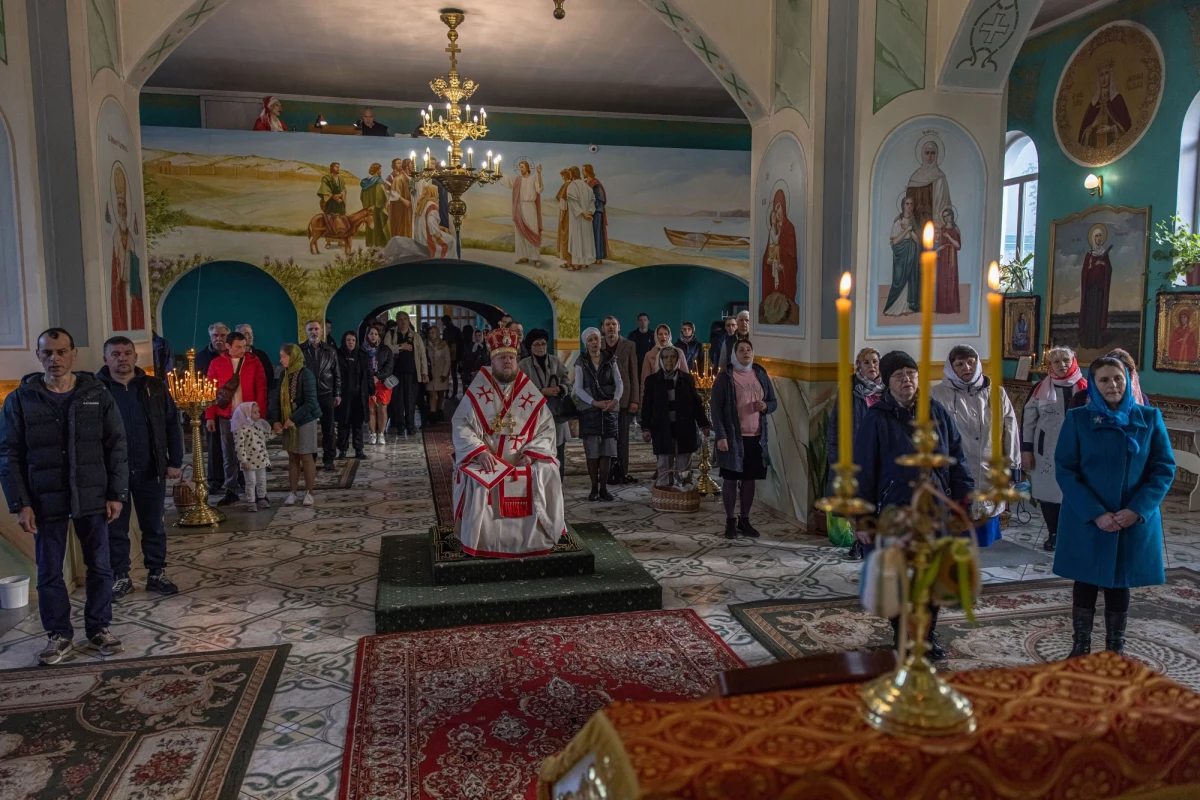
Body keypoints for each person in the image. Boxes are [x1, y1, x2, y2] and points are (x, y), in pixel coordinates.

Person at [0, 328, 126, 664]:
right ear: (39, 356)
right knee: (49, 571)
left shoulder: (96, 393)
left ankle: (99, 628)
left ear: (73, 354)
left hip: (93, 496)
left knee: (100, 566)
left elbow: (116, 444)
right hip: (45, 499)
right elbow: (9, 454)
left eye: (60, 352)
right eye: (47, 353)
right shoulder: (21, 399)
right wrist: (20, 503)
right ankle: (58, 634)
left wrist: (116, 492)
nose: (54, 359)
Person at [853, 350, 974, 659]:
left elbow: (957, 459)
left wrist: (965, 502)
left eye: (911, 373)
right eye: (898, 375)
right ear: (887, 381)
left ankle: (927, 635)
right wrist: (863, 517)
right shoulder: (877, 418)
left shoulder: (937, 412)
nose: (906, 379)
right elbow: (863, 470)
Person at [1055, 357, 1175, 657]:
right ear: (1093, 384)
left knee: (1119, 581)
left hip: (1130, 518)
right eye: (1104, 380)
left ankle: (1114, 648)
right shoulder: (1079, 419)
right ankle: (1080, 645)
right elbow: (1066, 470)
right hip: (1088, 517)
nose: (1113, 386)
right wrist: (1096, 513)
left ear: (1128, 379)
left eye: (1118, 378)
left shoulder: (1149, 417)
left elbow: (1163, 468)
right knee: (1085, 578)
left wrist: (1137, 509)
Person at [451, 327, 568, 556]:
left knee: (548, 471)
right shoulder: (478, 390)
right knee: (476, 481)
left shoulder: (528, 390)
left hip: (523, 456)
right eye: (502, 357)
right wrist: (480, 452)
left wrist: (533, 453)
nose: (508, 362)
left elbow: (546, 428)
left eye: (512, 358)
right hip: (487, 458)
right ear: (492, 360)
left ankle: (539, 537)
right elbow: (461, 425)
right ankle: (481, 541)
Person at [98, 336, 184, 600]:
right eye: (115, 354)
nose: (122, 358)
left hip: (150, 467)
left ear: (136, 357)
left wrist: (175, 461)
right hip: (112, 473)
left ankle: (156, 573)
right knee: (115, 527)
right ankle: (120, 577)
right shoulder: (95, 389)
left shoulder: (154, 386)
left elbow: (171, 424)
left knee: (154, 524)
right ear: (106, 359)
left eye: (127, 353)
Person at [930, 345, 1019, 547]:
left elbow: (1010, 430)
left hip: (989, 468)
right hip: (954, 470)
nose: (966, 367)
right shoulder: (937, 394)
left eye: (971, 362)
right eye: (959, 364)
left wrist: (1013, 465)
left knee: (982, 533)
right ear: (951, 367)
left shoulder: (997, 393)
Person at [1022, 347, 1088, 552]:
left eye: (1066, 360)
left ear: (1074, 360)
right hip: (1046, 449)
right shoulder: (1040, 389)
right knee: (1049, 492)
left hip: (1080, 449)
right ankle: (1053, 533)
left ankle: (1074, 534)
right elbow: (1028, 421)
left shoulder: (1086, 387)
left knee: (1076, 491)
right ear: (1050, 365)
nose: (1062, 365)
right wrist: (1026, 450)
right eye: (1056, 362)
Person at [711, 339, 777, 539]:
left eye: (749, 349)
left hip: (756, 437)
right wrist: (721, 436)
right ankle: (730, 521)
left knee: (749, 480)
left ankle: (745, 520)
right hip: (733, 438)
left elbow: (773, 402)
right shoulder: (725, 377)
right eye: (741, 350)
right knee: (731, 480)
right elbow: (716, 410)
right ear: (734, 354)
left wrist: (765, 406)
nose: (746, 352)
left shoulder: (761, 374)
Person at [825, 347, 884, 560]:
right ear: (859, 366)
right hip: (855, 453)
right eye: (866, 362)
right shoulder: (850, 387)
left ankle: (876, 540)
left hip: (881, 453)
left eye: (875, 362)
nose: (872, 366)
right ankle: (859, 542)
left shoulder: (886, 389)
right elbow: (836, 424)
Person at [205, 330, 269, 505]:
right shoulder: (216, 364)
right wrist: (210, 416)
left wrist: (260, 415)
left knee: (253, 451)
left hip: (249, 416)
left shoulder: (254, 362)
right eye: (238, 347)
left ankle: (257, 490)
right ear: (228, 346)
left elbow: (261, 389)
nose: (243, 350)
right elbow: (210, 392)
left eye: (244, 346)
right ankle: (231, 489)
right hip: (226, 415)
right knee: (229, 454)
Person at [642, 346, 709, 488]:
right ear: (660, 360)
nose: (669, 360)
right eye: (665, 357)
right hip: (662, 428)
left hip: (684, 428)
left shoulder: (687, 379)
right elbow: (647, 407)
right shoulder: (652, 381)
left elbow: (696, 404)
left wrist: (704, 424)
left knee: (683, 466)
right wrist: (646, 428)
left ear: (678, 360)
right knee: (664, 464)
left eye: (672, 357)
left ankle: (683, 494)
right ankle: (667, 496)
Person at [575, 327, 622, 501]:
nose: (594, 343)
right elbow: (578, 388)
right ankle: (594, 487)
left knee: (607, 451)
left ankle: (604, 488)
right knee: (592, 451)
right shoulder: (581, 361)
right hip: (590, 411)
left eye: (596, 339)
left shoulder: (610, 359)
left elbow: (619, 382)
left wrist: (615, 400)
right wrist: (595, 402)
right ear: (586, 343)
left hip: (609, 409)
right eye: (591, 340)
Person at [271, 344, 321, 506]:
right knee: (292, 455)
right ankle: (292, 492)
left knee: (305, 455)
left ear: (293, 358)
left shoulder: (306, 374)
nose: (281, 360)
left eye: (284, 357)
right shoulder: (284, 375)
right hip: (288, 420)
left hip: (305, 419)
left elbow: (311, 402)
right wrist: (276, 420)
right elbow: (277, 399)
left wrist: (293, 418)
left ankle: (309, 492)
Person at [520, 329, 572, 479]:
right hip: (536, 416)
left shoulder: (555, 361)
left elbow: (568, 383)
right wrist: (542, 391)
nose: (541, 347)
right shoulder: (524, 365)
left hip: (557, 415)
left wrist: (560, 389)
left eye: (543, 343)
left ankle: (558, 484)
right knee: (539, 451)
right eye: (537, 344)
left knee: (559, 452)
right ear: (531, 347)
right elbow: (521, 391)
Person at [601, 316, 641, 484]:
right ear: (603, 328)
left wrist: (635, 400)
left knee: (622, 438)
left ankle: (622, 472)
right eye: (607, 324)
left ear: (619, 327)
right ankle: (606, 472)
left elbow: (633, 373)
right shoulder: (597, 344)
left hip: (624, 398)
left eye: (614, 324)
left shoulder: (629, 345)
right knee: (605, 438)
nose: (611, 327)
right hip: (603, 398)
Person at [301, 320, 341, 469]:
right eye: (310, 329)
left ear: (321, 331)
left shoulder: (330, 350)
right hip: (308, 395)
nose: (314, 332)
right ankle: (310, 458)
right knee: (308, 430)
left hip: (327, 393)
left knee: (329, 428)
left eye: (316, 329)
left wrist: (337, 393)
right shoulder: (300, 350)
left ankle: (329, 459)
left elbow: (336, 373)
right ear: (306, 332)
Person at [196, 322, 230, 493]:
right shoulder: (201, 357)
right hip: (209, 408)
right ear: (210, 337)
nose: (219, 339)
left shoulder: (234, 355)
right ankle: (215, 480)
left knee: (233, 445)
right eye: (215, 336)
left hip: (230, 409)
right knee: (213, 445)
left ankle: (235, 479)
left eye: (222, 335)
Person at [384, 311, 427, 435]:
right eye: (400, 319)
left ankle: (410, 426)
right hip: (395, 374)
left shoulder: (415, 336)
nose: (403, 322)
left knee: (411, 401)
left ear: (409, 321)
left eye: (405, 319)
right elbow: (386, 349)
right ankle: (400, 426)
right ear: (397, 321)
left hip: (412, 373)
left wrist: (424, 373)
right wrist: (401, 346)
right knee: (398, 401)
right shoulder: (391, 334)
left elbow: (422, 356)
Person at [761, 188, 798, 325]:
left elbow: (792, 256)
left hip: (784, 271)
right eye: (775, 208)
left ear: (784, 207)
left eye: (779, 207)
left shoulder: (789, 229)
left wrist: (784, 265)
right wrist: (768, 261)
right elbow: (768, 250)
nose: (777, 212)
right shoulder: (773, 229)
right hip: (774, 266)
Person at [231, 401, 274, 512]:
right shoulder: (240, 430)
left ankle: (261, 498)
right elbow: (239, 447)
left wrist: (276, 432)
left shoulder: (258, 426)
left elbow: (265, 438)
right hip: (249, 461)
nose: (258, 414)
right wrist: (243, 461)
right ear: (246, 414)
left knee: (262, 480)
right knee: (251, 482)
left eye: (258, 412)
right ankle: (251, 501)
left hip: (261, 458)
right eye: (254, 412)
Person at [1069, 348, 1147, 408]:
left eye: (1118, 378)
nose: (1112, 384)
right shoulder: (1081, 397)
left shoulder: (1142, 399)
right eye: (1104, 380)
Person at [1077, 63, 1131, 149]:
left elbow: (1127, 126)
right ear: (1098, 78)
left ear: (1111, 75)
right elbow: (1082, 136)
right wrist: (1092, 126)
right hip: (1094, 148)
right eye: (1101, 75)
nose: (1104, 78)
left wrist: (1111, 129)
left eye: (1107, 73)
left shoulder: (1117, 99)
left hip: (1114, 146)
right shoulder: (1094, 103)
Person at [336, 331, 371, 460]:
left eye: (353, 340)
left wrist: (371, 391)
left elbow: (368, 375)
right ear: (344, 342)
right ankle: (342, 450)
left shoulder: (362, 356)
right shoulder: (338, 355)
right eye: (348, 340)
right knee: (343, 424)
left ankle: (359, 450)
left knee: (358, 424)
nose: (351, 342)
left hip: (358, 396)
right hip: (343, 396)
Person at [502, 160, 544, 266]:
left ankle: (535, 258)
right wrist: (500, 173)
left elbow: (539, 189)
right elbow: (508, 180)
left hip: (530, 207)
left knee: (532, 230)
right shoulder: (518, 180)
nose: (521, 169)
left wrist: (539, 173)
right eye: (520, 167)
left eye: (522, 167)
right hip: (520, 208)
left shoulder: (533, 178)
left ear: (527, 167)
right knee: (520, 233)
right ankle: (523, 256)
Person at [885, 196, 921, 317]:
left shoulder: (914, 221)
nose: (909, 206)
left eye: (911, 204)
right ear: (902, 205)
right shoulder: (898, 222)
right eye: (907, 204)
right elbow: (894, 242)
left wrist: (911, 231)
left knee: (910, 279)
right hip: (901, 255)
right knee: (899, 279)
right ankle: (893, 308)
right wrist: (906, 231)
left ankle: (907, 307)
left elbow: (918, 240)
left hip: (911, 254)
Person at [362, 325, 394, 445]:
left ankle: (381, 434)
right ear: (367, 335)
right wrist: (370, 378)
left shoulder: (386, 349)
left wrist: (378, 376)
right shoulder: (362, 350)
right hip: (368, 383)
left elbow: (389, 366)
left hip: (383, 383)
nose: (373, 336)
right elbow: (361, 367)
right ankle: (373, 434)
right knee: (370, 409)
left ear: (379, 336)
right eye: (371, 334)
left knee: (382, 408)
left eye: (376, 334)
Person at [640, 324, 690, 392]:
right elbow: (645, 381)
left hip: (677, 393)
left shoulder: (678, 352)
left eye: (666, 334)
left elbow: (686, 377)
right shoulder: (649, 355)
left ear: (669, 336)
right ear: (656, 336)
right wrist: (644, 400)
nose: (663, 336)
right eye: (660, 334)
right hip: (656, 394)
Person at [566, 166, 596, 268]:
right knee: (585, 239)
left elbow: (574, 204)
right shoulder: (587, 186)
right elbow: (592, 202)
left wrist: (583, 214)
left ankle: (576, 264)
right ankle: (584, 263)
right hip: (587, 218)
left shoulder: (572, 186)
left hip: (577, 218)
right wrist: (590, 213)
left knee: (577, 238)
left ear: (572, 174)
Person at [236, 323, 277, 396]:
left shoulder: (261, 355)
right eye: (246, 334)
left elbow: (269, 376)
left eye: (251, 333)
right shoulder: (232, 356)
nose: (251, 337)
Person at [934, 207, 961, 315]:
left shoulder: (955, 229)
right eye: (944, 216)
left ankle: (951, 307)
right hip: (944, 256)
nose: (946, 218)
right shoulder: (942, 229)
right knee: (943, 279)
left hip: (952, 256)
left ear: (952, 215)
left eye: (948, 215)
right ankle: (942, 307)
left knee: (951, 279)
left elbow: (958, 246)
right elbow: (940, 242)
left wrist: (948, 237)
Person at [426, 324, 452, 424]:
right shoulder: (427, 344)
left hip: (441, 372)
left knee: (441, 393)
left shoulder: (443, 344)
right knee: (432, 394)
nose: (431, 334)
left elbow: (447, 360)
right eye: (430, 333)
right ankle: (433, 414)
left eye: (433, 332)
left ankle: (440, 411)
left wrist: (445, 373)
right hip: (431, 373)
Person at [360, 163, 390, 248]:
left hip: (368, 209)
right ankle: (379, 245)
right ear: (376, 171)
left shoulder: (365, 182)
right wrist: (378, 205)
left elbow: (362, 197)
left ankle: (370, 244)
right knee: (379, 226)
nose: (381, 171)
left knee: (370, 226)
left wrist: (367, 206)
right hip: (377, 209)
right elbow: (382, 196)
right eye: (380, 169)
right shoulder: (379, 182)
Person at [583, 164, 607, 264]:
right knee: (589, 235)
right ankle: (592, 256)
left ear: (588, 172)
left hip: (597, 212)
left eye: (583, 171)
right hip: (588, 212)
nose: (582, 173)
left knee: (597, 234)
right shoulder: (585, 183)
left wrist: (593, 209)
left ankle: (598, 257)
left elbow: (601, 199)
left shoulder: (595, 183)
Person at [385, 158, 413, 239]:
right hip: (398, 207)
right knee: (399, 226)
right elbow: (392, 192)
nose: (400, 165)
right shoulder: (396, 178)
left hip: (408, 207)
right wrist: (403, 201)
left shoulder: (410, 177)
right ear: (407, 166)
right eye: (398, 163)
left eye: (400, 163)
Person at [318, 162, 347, 235]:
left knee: (341, 220)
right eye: (336, 167)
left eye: (338, 167)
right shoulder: (326, 178)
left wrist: (341, 195)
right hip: (330, 203)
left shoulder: (341, 179)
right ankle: (328, 241)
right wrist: (334, 197)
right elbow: (324, 189)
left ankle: (340, 239)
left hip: (340, 203)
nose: (338, 168)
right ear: (332, 168)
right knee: (330, 220)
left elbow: (344, 189)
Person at [628, 313, 655, 379]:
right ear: (638, 322)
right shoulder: (632, 335)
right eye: (641, 320)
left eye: (645, 320)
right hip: (637, 365)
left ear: (648, 322)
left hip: (650, 364)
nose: (643, 322)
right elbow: (629, 351)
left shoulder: (653, 335)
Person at [441, 314, 461, 398]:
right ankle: (446, 392)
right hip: (446, 354)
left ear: (448, 321)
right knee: (446, 374)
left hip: (454, 355)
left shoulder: (456, 330)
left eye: (444, 322)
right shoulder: (445, 330)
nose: (444, 324)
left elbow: (460, 344)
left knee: (453, 375)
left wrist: (459, 357)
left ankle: (454, 393)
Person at [555, 168, 573, 267]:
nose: (562, 178)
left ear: (565, 176)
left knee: (565, 237)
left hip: (566, 214)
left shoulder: (566, 185)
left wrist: (561, 218)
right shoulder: (573, 184)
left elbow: (563, 203)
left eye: (562, 176)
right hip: (572, 215)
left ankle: (569, 261)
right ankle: (570, 261)